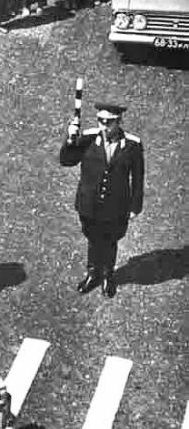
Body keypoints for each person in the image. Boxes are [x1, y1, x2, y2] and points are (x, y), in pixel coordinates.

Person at [60, 102, 144, 298]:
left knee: (111, 240)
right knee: (92, 239)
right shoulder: (88, 139)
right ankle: (92, 273)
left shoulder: (132, 145)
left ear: (119, 121)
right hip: (89, 203)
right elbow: (66, 160)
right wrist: (70, 139)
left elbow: (138, 178)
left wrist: (135, 206)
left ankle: (108, 275)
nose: (104, 126)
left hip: (116, 206)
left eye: (109, 122)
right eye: (100, 121)